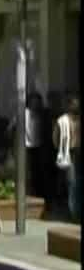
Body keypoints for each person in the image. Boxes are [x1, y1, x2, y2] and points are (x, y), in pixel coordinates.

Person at [54, 94, 80, 222]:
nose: (76, 106)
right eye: (74, 103)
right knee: (72, 183)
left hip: (79, 153)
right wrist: (61, 149)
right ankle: (73, 213)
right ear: (69, 106)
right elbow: (55, 138)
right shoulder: (62, 121)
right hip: (70, 154)